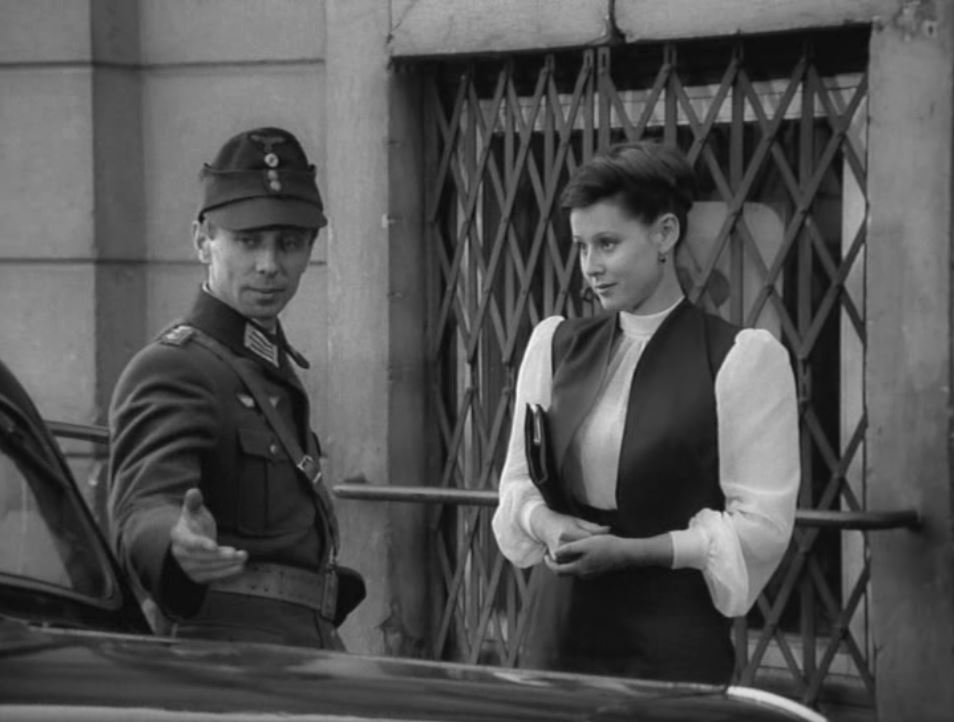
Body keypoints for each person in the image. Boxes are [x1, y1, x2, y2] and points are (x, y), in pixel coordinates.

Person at [491, 141, 799, 684]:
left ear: (665, 234)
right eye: (582, 247)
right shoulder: (555, 344)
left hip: (666, 640)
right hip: (557, 631)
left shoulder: (739, 360)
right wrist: (548, 523)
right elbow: (517, 486)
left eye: (608, 244)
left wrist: (635, 552)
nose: (591, 267)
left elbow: (761, 526)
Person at [108, 126, 361, 649]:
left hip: (300, 645)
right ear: (203, 241)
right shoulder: (175, 367)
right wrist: (175, 542)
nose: (269, 265)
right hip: (227, 656)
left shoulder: (262, 365)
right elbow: (143, 505)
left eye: (289, 243)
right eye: (248, 242)